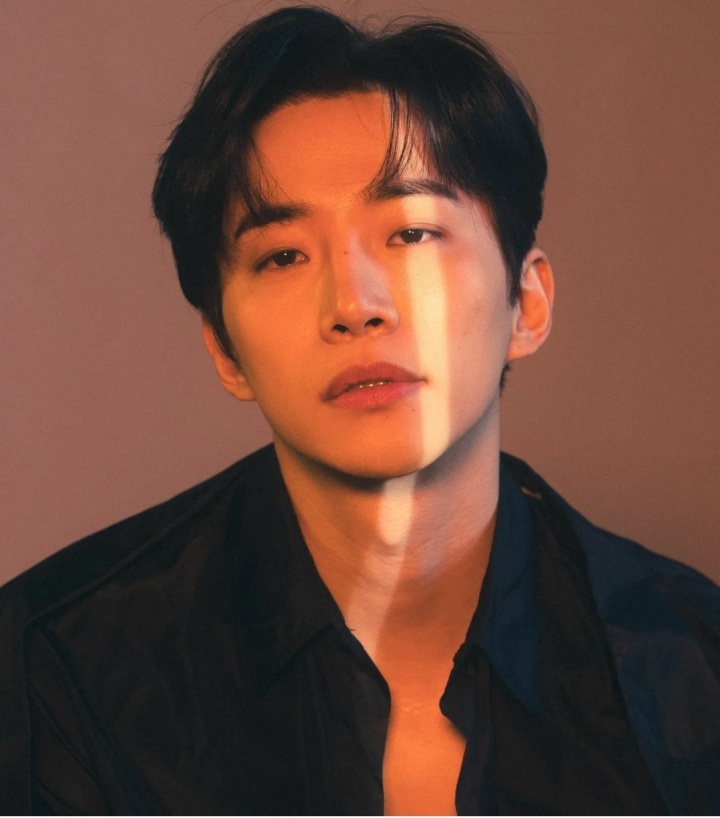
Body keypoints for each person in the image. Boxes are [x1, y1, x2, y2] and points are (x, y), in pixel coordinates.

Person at [1, 5, 719, 815]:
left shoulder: (692, 667)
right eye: (283, 256)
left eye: (410, 234)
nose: (354, 304)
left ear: (527, 301)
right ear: (225, 351)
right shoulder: (52, 673)